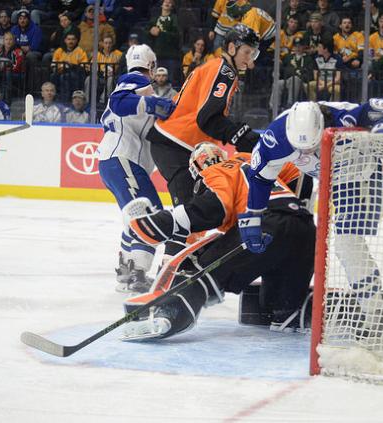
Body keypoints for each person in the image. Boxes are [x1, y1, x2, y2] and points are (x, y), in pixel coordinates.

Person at [238, 100, 383, 332]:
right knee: (346, 243)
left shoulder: (346, 115)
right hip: (333, 181)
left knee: (347, 243)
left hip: (360, 171)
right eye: (301, 150)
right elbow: (260, 178)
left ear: (323, 126)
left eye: (312, 145)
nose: (307, 153)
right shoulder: (275, 138)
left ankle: (376, 316)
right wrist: (254, 217)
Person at [121, 142, 316, 338]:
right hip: (305, 227)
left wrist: (158, 224)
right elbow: (299, 175)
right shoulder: (248, 158)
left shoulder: (214, 172)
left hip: (262, 225)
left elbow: (214, 207)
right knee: (281, 309)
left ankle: (170, 315)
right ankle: (290, 314)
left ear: (197, 168)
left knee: (200, 271)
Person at [146, 24, 261, 265]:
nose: (250, 61)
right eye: (247, 52)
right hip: (175, 144)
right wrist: (240, 134)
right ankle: (170, 275)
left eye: (254, 54)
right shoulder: (224, 71)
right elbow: (207, 118)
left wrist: (237, 133)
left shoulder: (219, 69)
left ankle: (180, 267)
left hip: (178, 145)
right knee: (190, 213)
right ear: (231, 47)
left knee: (196, 212)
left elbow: (208, 117)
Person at [97, 44, 175, 292]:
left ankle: (129, 272)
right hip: (122, 158)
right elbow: (119, 102)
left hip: (118, 161)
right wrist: (153, 104)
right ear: (151, 66)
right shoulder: (135, 81)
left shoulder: (139, 87)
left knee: (139, 216)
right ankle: (135, 275)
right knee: (149, 214)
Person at [145, 0, 181, 87]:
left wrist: (160, 33)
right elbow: (146, 32)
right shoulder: (154, 19)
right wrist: (150, 32)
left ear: (172, 6)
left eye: (170, 2)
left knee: (171, 82)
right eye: (166, 1)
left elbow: (176, 37)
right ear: (162, 4)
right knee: (154, 81)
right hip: (156, 55)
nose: (167, 3)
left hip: (170, 56)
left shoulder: (175, 19)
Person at [0, 32, 25, 104]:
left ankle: (8, 98)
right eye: (6, 39)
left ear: (13, 41)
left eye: (10, 39)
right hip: (1, 72)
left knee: (8, 72)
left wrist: (8, 68)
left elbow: (17, 66)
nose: (8, 41)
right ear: (3, 41)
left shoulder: (18, 51)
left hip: (15, 73)